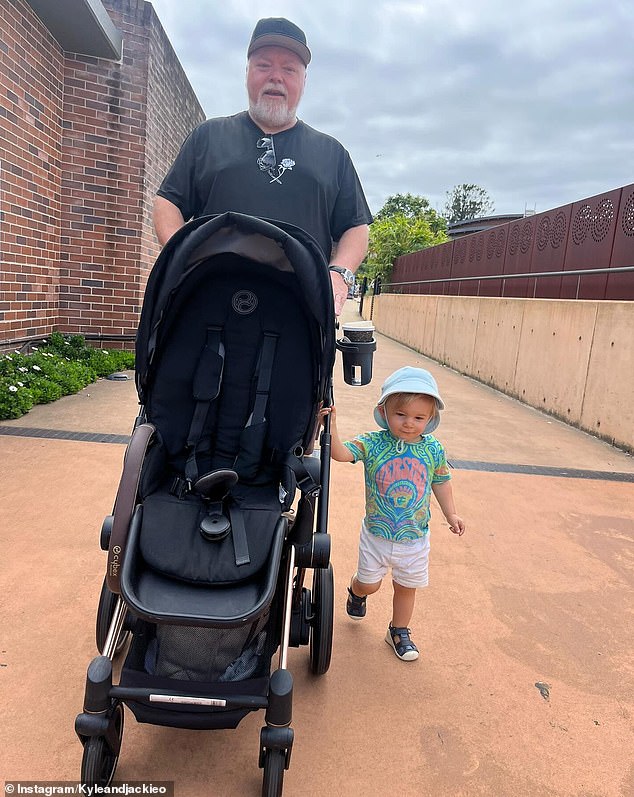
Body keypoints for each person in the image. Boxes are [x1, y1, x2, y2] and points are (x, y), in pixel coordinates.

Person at [153, 17, 373, 316]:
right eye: (264, 65)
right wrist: (181, 257)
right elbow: (168, 202)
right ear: (247, 73)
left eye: (289, 69)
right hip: (207, 307)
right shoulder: (208, 137)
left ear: (303, 81)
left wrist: (339, 274)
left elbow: (355, 226)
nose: (276, 77)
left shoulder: (332, 154)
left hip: (300, 317)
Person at [321, 367, 465, 661]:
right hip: (376, 535)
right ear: (384, 411)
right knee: (370, 584)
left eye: (419, 417)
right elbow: (341, 453)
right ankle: (357, 589)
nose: (409, 423)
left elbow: (441, 481)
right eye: (401, 414)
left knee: (406, 587)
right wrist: (332, 425)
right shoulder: (373, 443)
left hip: (414, 539)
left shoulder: (433, 449)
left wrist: (451, 515)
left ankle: (398, 631)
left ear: (431, 419)